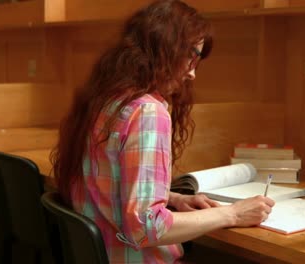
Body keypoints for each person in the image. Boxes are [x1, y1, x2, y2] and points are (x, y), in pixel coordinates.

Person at [50, 0, 275, 263]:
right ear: (163, 47)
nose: (192, 73)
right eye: (191, 54)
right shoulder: (147, 112)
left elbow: (106, 180)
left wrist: (173, 198)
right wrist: (234, 214)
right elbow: (146, 228)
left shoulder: (105, 100)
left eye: (198, 60)